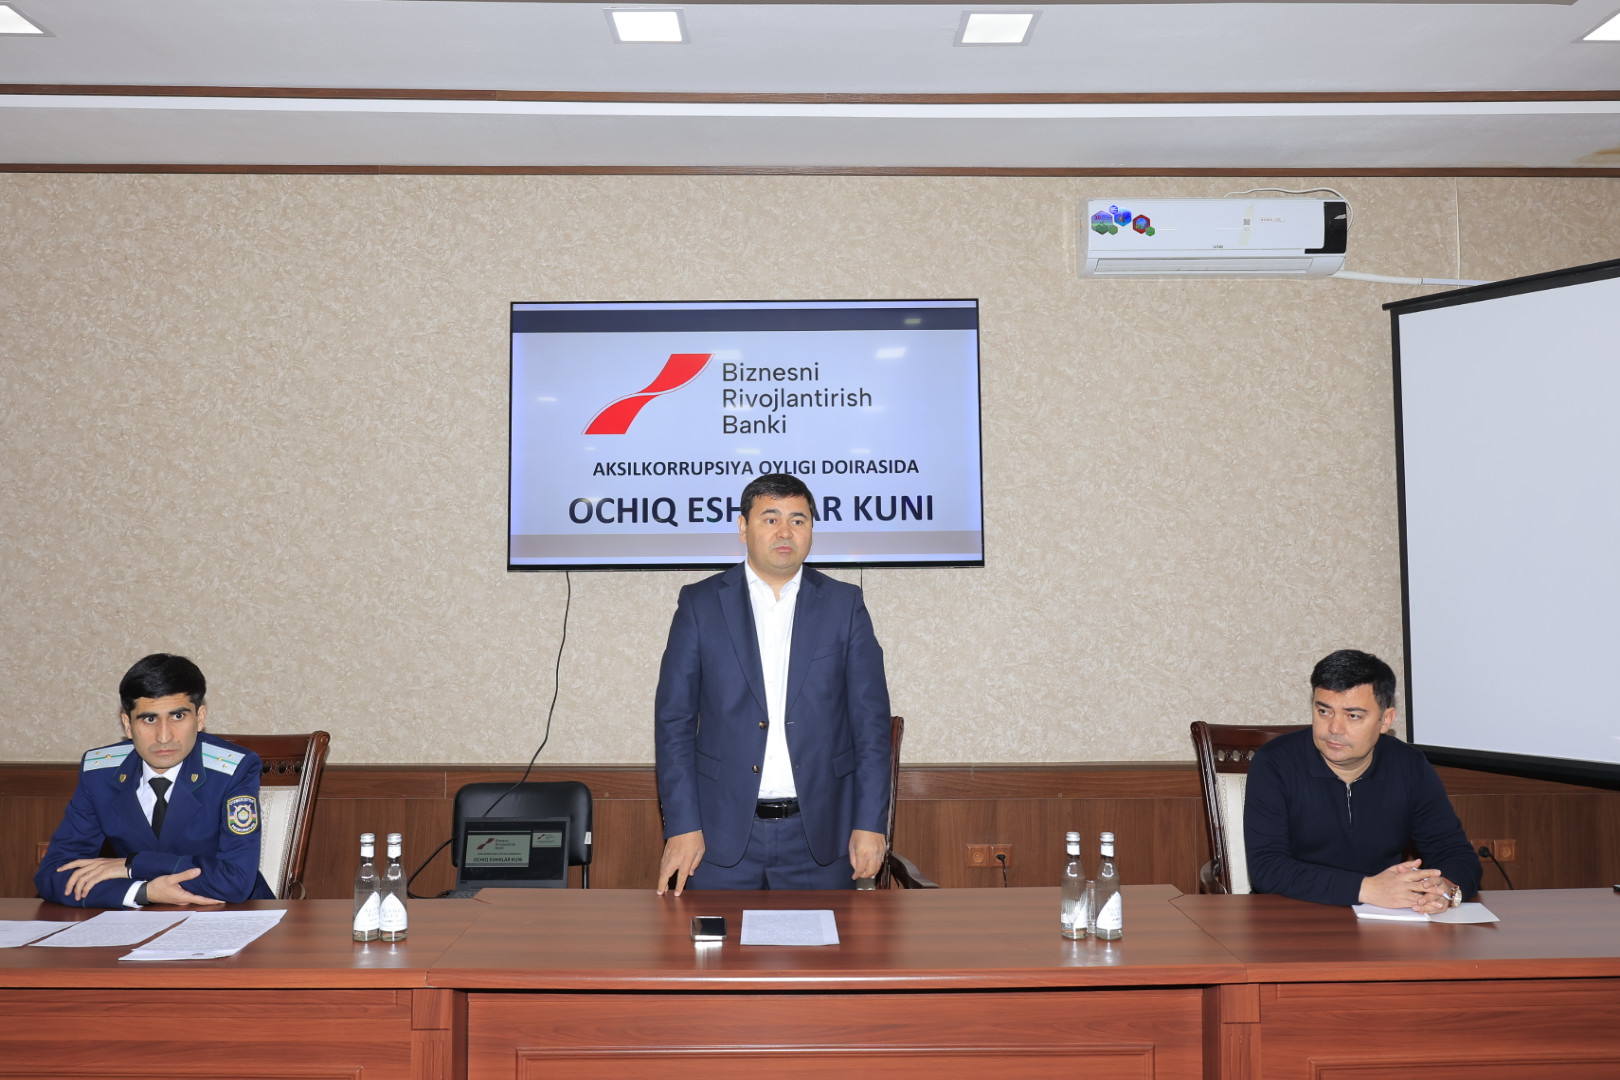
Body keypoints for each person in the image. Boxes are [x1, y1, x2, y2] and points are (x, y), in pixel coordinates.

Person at [654, 473, 892, 894]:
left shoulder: (844, 605)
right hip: (717, 839)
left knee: (825, 958)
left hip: (821, 837)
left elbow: (871, 727)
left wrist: (869, 824)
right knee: (711, 958)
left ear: (812, 531)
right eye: (770, 519)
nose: (786, 531)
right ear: (743, 527)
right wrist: (683, 825)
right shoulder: (700, 604)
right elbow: (673, 724)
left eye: (799, 520)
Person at [1245, 649, 1482, 910]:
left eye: (1353, 716)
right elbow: (1267, 868)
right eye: (1324, 711)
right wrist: (1366, 888)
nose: (1334, 729)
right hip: (1292, 916)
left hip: (1383, 919)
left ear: (1385, 720)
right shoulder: (1276, 762)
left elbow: (1455, 853)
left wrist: (1445, 888)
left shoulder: (1408, 765)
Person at [36, 653, 275, 908]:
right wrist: (143, 891)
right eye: (149, 719)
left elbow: (235, 881)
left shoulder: (233, 769)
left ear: (200, 718)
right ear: (127, 724)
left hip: (234, 918)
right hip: (141, 926)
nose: (164, 737)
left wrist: (133, 865)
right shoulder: (100, 773)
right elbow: (53, 874)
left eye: (178, 716)